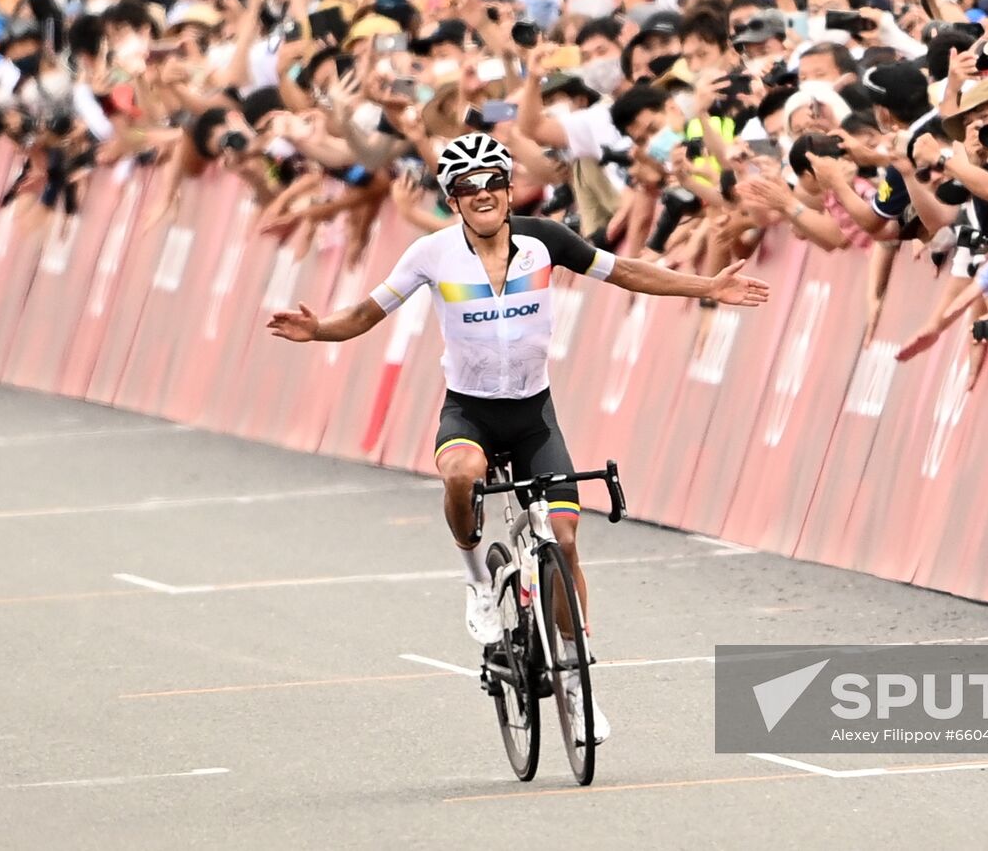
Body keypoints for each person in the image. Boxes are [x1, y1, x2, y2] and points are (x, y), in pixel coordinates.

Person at [266, 133, 769, 745]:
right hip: (470, 413)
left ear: (508, 190)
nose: (482, 196)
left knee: (565, 536)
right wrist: (320, 330)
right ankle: (477, 577)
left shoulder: (544, 241)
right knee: (460, 476)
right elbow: (368, 314)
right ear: (453, 200)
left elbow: (626, 271)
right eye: (467, 189)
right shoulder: (432, 254)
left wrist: (706, 288)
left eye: (492, 184)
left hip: (534, 416)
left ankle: (578, 684)